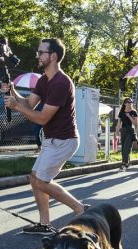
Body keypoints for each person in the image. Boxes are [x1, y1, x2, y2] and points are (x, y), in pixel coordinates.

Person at [5, 38, 86, 234]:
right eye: (38, 52)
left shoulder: (61, 82)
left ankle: (80, 209)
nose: (37, 55)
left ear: (53, 56)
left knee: (42, 181)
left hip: (64, 141)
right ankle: (44, 223)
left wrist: (15, 106)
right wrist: (14, 92)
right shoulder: (44, 80)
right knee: (34, 178)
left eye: (41, 52)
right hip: (52, 140)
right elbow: (29, 105)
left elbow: (41, 118)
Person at [117, 97, 138, 170]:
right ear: (125, 103)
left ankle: (123, 164)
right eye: (128, 102)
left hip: (130, 131)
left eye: (131, 102)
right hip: (123, 131)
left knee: (127, 148)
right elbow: (119, 123)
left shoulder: (134, 112)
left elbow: (136, 124)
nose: (130, 103)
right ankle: (127, 163)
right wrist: (116, 133)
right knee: (123, 148)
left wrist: (129, 116)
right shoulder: (121, 112)